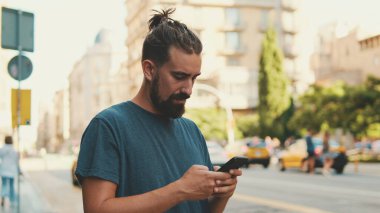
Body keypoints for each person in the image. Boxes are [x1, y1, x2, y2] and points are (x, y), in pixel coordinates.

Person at [75, 8, 242, 213]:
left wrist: (221, 197)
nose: (189, 89)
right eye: (179, 76)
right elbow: (97, 209)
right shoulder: (108, 126)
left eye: (194, 78)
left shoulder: (192, 131)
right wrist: (180, 189)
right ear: (149, 70)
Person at [0, 136, 21, 207]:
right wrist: (19, 170)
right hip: (12, 171)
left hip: (4, 170)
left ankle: (2, 198)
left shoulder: (2, 149)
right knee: (11, 186)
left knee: (4, 185)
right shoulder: (14, 151)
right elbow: (16, 162)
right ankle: (12, 201)